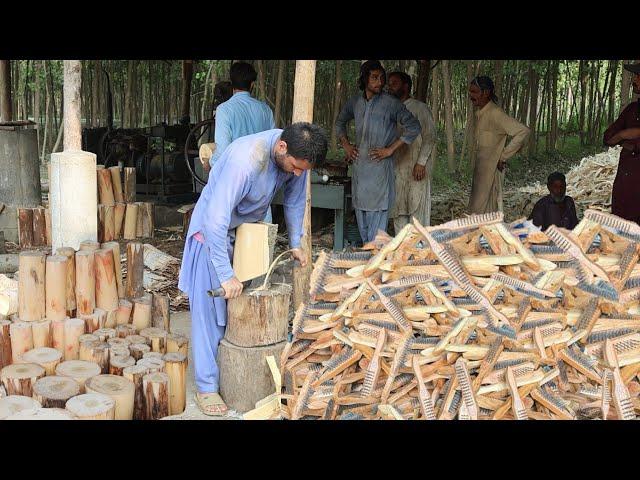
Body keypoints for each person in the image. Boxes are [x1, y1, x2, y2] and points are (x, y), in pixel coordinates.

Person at [178, 122, 328, 415]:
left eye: (303, 170)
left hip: (246, 232)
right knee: (209, 315)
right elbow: (215, 221)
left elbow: (296, 200)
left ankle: (232, 373)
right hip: (211, 234)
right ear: (282, 147)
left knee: (240, 310)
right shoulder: (245, 160)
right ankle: (206, 386)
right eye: (296, 167)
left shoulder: (295, 161)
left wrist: (296, 241)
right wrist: (226, 273)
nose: (297, 174)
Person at [335, 60, 421, 244]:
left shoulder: (391, 104)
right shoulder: (355, 102)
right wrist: (346, 145)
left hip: (379, 170)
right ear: (364, 79)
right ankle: (367, 256)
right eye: (374, 77)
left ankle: (375, 258)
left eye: (382, 78)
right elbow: (340, 122)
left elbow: (414, 127)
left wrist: (390, 149)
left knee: (377, 220)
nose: (380, 82)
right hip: (360, 169)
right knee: (361, 214)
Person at [210, 62, 276, 222]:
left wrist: (210, 162)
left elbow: (223, 150)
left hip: (236, 180)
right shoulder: (265, 110)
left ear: (232, 83)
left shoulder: (224, 110)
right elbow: (274, 146)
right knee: (262, 237)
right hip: (261, 181)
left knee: (236, 238)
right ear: (252, 84)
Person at [467, 76, 530, 214]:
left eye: (474, 92)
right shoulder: (481, 114)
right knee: (476, 213)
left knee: (486, 215)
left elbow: (523, 131)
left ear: (486, 92)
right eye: (470, 92)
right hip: (480, 175)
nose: (471, 95)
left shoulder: (495, 113)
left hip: (491, 175)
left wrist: (502, 157)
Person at [387, 71, 437, 231]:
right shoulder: (390, 110)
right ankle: (402, 250)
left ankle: (420, 252)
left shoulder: (419, 108)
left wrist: (421, 163)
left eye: (394, 83)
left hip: (416, 168)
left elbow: (430, 136)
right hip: (398, 168)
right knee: (399, 211)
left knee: (417, 214)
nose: (390, 87)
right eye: (389, 83)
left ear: (406, 86)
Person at [603, 62, 640, 224]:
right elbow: (608, 138)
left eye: (638, 76)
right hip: (626, 186)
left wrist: (634, 141)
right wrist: (625, 134)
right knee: (622, 230)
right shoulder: (632, 110)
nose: (634, 80)